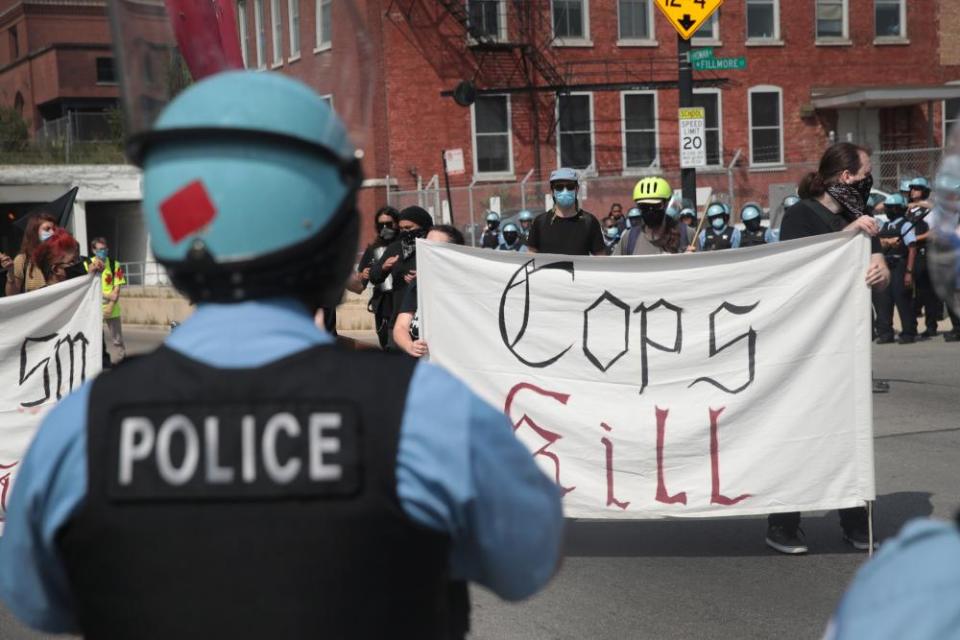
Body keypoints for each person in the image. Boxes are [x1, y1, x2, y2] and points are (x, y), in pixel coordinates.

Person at [0, 71, 563, 639]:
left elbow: (37, 600)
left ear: (175, 242)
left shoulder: (82, 427)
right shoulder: (424, 410)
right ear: (338, 234)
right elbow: (527, 561)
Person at [767, 142, 890, 556]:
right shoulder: (801, 214)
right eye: (865, 173)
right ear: (844, 177)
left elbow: (879, 269)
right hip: (806, 343)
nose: (869, 180)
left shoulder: (862, 216)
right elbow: (795, 267)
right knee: (799, 431)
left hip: (847, 345)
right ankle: (784, 522)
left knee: (849, 432)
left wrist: (880, 267)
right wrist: (847, 236)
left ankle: (854, 519)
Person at [393, 225, 465, 358]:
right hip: (419, 369)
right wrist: (410, 345)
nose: (427, 251)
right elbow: (400, 327)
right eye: (425, 245)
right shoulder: (419, 282)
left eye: (434, 247)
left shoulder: (464, 288)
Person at [368, 205, 433, 343]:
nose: (404, 232)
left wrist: (423, 278)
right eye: (402, 229)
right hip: (399, 320)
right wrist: (384, 267)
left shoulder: (432, 248)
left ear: (424, 227)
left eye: (409, 228)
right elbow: (374, 277)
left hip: (428, 321)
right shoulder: (395, 248)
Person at [525, 168, 606, 256]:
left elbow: (601, 258)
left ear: (577, 189)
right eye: (559, 187)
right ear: (552, 191)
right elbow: (530, 256)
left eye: (570, 187)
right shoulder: (540, 222)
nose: (565, 191)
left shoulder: (589, 222)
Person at [874, 194, 918, 344]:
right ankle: (886, 333)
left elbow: (912, 248)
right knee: (884, 300)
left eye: (891, 208)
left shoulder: (905, 225)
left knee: (902, 300)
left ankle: (908, 332)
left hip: (900, 266)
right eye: (887, 208)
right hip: (885, 265)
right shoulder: (885, 225)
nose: (888, 210)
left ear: (899, 209)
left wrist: (909, 272)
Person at [356, 205, 399, 348]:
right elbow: (360, 282)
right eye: (381, 225)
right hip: (383, 303)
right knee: (385, 343)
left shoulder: (404, 245)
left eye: (389, 224)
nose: (385, 228)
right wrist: (363, 275)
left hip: (402, 299)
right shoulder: (373, 250)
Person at [616, 177, 690, 255]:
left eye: (656, 205)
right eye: (643, 206)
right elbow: (614, 266)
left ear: (667, 204)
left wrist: (691, 259)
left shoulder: (686, 234)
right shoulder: (629, 239)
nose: (650, 210)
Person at [83, 237, 127, 360]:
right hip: (93, 307)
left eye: (105, 249)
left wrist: (110, 305)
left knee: (117, 339)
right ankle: (97, 362)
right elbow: (87, 286)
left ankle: (122, 360)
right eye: (100, 249)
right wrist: (92, 270)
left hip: (112, 307)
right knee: (94, 337)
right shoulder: (87, 264)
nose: (103, 251)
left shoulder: (114, 264)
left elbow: (117, 288)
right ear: (93, 250)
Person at [3, 213, 57, 295]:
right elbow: (11, 295)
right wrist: (11, 272)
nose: (52, 232)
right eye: (47, 229)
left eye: (54, 229)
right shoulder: (22, 260)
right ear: (34, 232)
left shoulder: (60, 257)